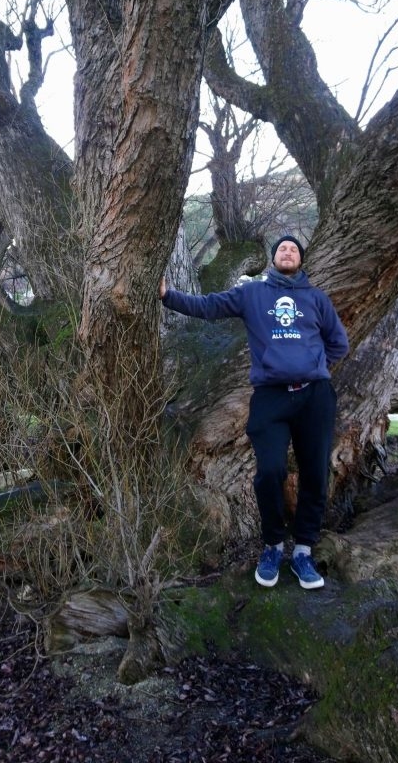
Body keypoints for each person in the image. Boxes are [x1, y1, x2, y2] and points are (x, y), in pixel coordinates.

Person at [160, 235, 349, 589]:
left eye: (294, 248)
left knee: (315, 472)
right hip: (270, 397)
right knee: (270, 472)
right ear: (273, 259)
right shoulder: (253, 294)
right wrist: (168, 296)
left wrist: (314, 367)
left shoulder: (316, 299)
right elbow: (209, 307)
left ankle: (304, 551)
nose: (288, 251)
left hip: (315, 398)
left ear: (301, 260)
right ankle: (273, 545)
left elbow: (339, 343)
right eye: (282, 248)